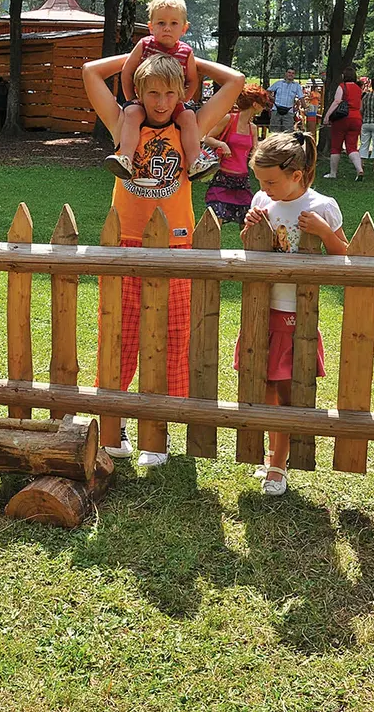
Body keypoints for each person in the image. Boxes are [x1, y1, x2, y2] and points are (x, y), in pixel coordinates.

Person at [82, 50, 245, 466]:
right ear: (137, 91)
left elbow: (235, 81)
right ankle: (113, 428)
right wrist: (145, 48)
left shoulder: (191, 124)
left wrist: (183, 60)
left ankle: (157, 431)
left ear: (182, 93)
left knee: (172, 338)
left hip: (176, 246)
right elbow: (89, 72)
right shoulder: (123, 123)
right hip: (126, 244)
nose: (160, 101)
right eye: (151, 92)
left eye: (170, 93)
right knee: (118, 335)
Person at [239, 131, 346, 496]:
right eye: (260, 181)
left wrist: (324, 233)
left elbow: (344, 257)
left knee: (286, 391)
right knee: (264, 386)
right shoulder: (261, 199)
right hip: (261, 309)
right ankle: (272, 454)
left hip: (296, 315)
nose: (264, 188)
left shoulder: (322, 207)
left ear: (297, 174)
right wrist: (251, 229)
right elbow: (251, 248)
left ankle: (279, 465)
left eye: (271, 181)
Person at [104, 0, 213, 182]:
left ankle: (195, 161)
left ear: (184, 28)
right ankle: (126, 159)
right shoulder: (145, 45)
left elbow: (193, 80)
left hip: (172, 103)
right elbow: (127, 72)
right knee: (131, 114)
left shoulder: (186, 52)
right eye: (161, 23)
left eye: (173, 24)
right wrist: (132, 100)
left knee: (188, 116)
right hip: (145, 102)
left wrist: (183, 100)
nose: (167, 29)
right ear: (150, 27)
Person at [202, 84, 268, 224]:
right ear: (255, 104)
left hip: (242, 180)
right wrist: (222, 144)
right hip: (223, 178)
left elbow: (254, 154)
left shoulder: (253, 128)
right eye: (263, 104)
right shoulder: (229, 119)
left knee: (248, 223)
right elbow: (207, 138)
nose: (265, 108)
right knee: (215, 219)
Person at [322, 65, 364, 179]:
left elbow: (337, 101)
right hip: (356, 118)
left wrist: (327, 116)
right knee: (352, 147)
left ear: (343, 76)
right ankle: (359, 169)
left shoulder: (342, 86)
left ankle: (333, 173)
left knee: (336, 146)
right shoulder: (358, 88)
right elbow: (360, 107)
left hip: (342, 118)